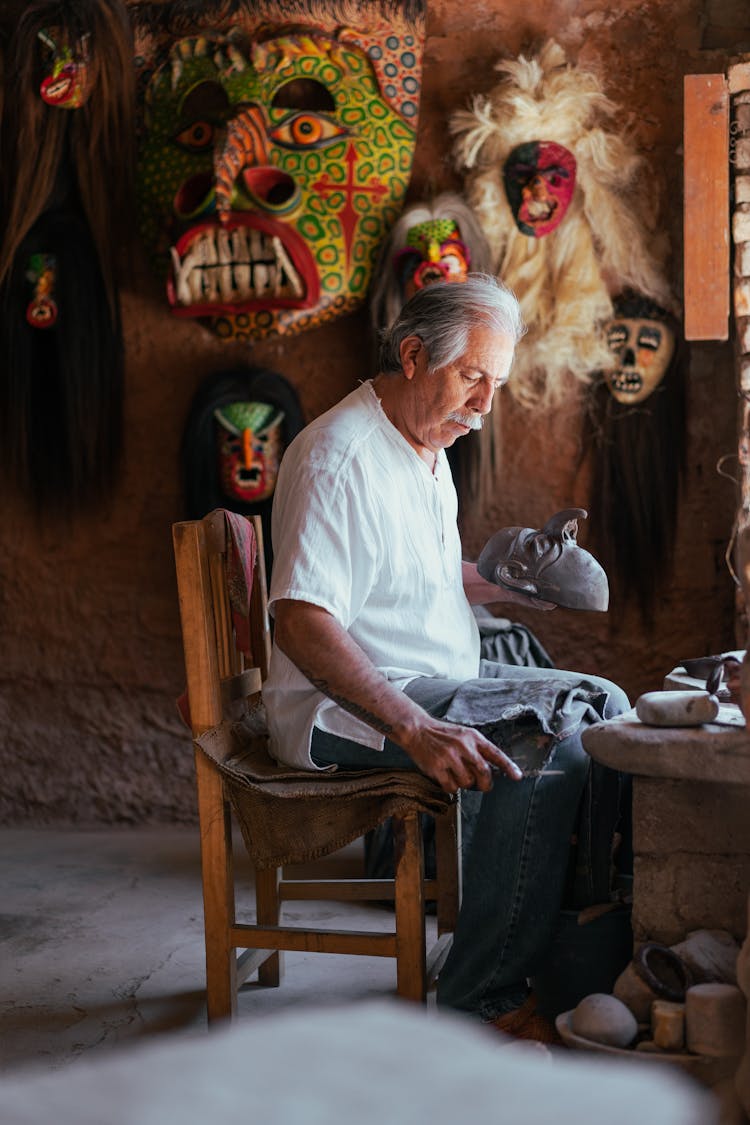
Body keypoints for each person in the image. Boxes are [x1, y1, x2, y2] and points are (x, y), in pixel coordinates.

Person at [262, 273, 630, 1039]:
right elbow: (301, 619)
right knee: (542, 743)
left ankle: (566, 954)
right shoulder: (339, 456)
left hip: (442, 672)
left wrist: (506, 587)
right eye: (471, 378)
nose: (483, 406)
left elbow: (413, 580)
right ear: (410, 354)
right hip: (352, 701)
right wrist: (413, 729)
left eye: (494, 383)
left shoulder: (425, 449)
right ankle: (483, 996)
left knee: (606, 706)